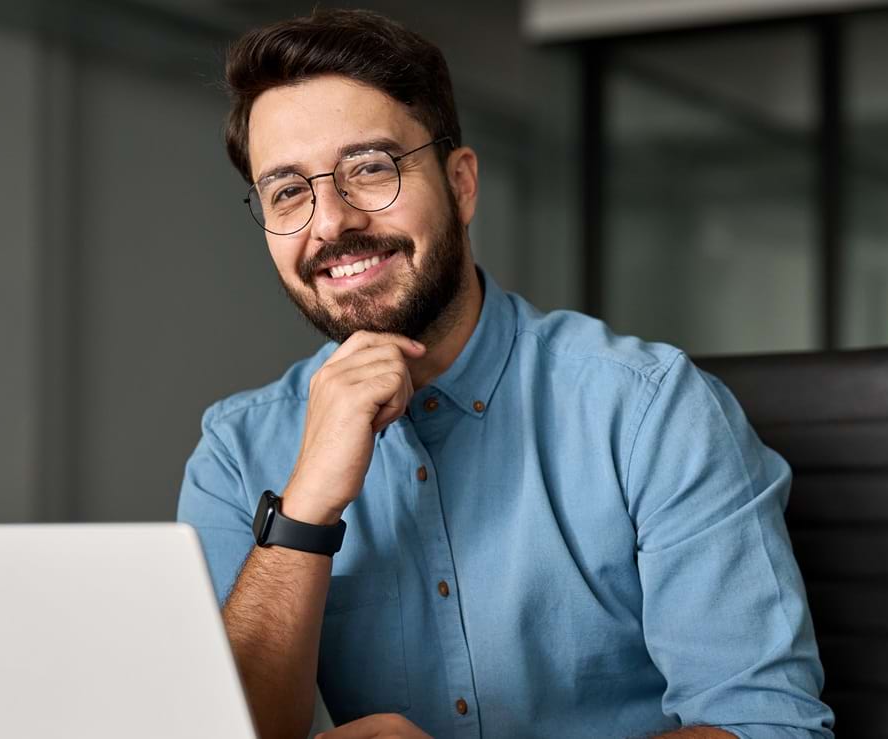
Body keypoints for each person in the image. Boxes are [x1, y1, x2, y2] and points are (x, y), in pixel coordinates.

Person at [177, 10, 833, 739]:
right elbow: (219, 728)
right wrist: (304, 511)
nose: (329, 222)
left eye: (369, 168)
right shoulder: (237, 451)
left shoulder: (650, 410)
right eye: (288, 192)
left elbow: (768, 726)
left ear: (460, 185)